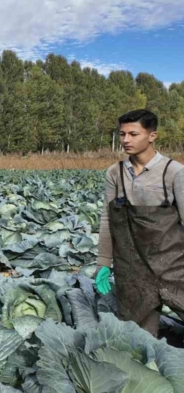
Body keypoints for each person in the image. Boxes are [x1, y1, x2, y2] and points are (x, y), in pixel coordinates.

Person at [95, 109, 184, 337]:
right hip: (131, 268)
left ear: (152, 136)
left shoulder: (173, 172)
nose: (125, 140)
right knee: (138, 338)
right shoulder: (115, 173)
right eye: (122, 134)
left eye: (133, 134)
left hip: (172, 265)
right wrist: (103, 262)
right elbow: (108, 220)